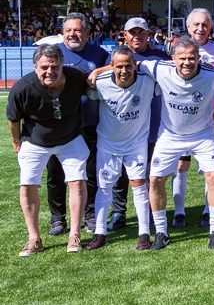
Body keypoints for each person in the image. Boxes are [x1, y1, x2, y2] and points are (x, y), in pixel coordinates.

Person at [139, 38, 214, 249]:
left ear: (199, 58)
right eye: (182, 58)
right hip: (170, 135)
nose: (187, 62)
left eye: (191, 58)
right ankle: (161, 232)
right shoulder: (159, 68)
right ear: (173, 58)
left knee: (213, 177)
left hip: (203, 135)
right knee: (156, 179)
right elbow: (132, 62)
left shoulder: (213, 76)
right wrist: (96, 72)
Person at [8, 44, 91, 256]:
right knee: (27, 186)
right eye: (44, 67)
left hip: (71, 138)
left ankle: (74, 234)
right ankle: (34, 238)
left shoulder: (76, 77)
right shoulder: (23, 88)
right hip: (34, 142)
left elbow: (96, 76)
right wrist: (17, 142)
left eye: (54, 66)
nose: (49, 72)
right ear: (36, 67)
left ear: (63, 65)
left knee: (77, 181)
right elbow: (13, 119)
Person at [44, 13, 109, 237]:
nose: (73, 34)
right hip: (58, 126)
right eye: (68, 30)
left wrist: (97, 71)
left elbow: (116, 69)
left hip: (90, 124)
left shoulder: (99, 54)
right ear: (62, 33)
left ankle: (90, 214)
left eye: (78, 30)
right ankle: (58, 218)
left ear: (87, 32)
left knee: (91, 172)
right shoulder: (54, 53)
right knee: (56, 174)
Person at [88, 46, 157, 250]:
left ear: (135, 65)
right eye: (119, 66)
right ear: (111, 67)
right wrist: (97, 72)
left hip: (136, 144)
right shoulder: (100, 84)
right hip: (108, 145)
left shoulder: (147, 82)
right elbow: (88, 86)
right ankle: (100, 233)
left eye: (128, 65)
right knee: (104, 187)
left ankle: (143, 234)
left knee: (138, 185)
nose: (124, 71)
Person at [108, 17, 169, 231]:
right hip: (124, 126)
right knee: (121, 174)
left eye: (141, 32)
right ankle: (118, 212)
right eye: (132, 32)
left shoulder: (161, 56)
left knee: (153, 172)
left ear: (148, 35)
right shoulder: (114, 57)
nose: (136, 36)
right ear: (124, 35)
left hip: (153, 124)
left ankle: (153, 211)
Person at [174, 8, 214, 229]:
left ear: (211, 27)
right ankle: (179, 213)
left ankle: (207, 211)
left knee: (210, 170)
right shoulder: (177, 49)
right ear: (187, 27)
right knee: (180, 166)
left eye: (205, 24)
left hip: (209, 120)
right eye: (196, 24)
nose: (200, 28)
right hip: (182, 118)